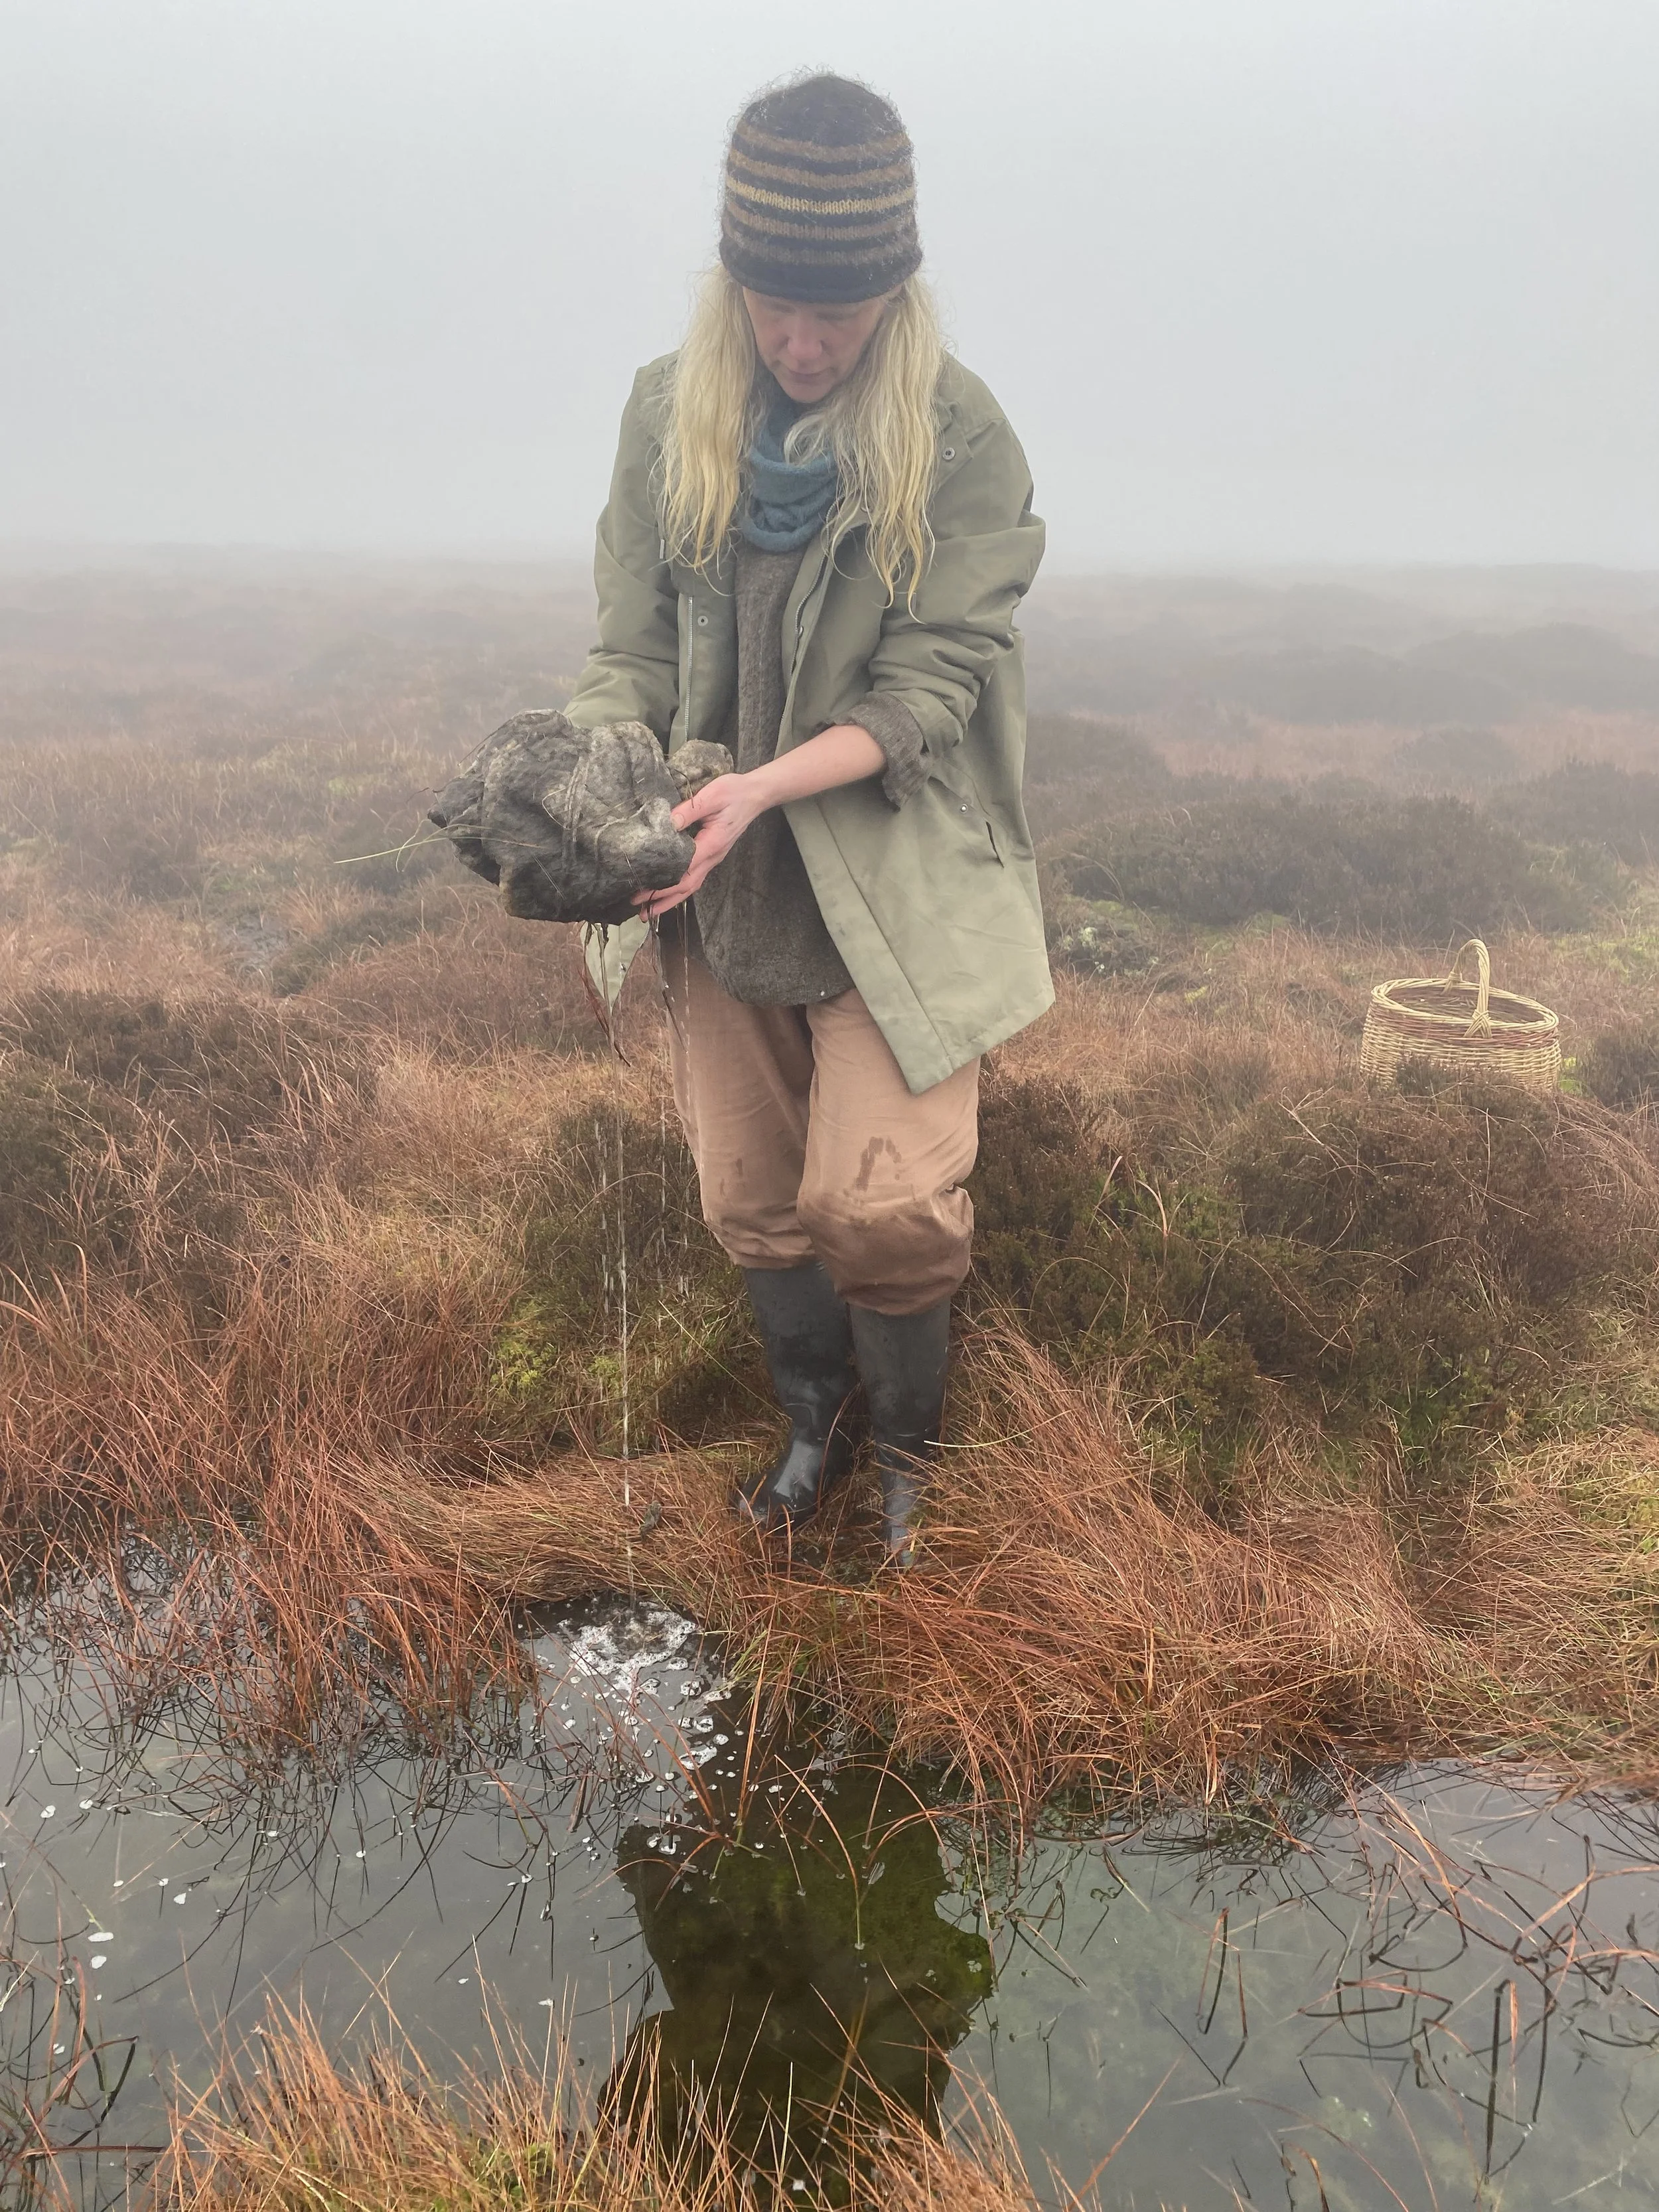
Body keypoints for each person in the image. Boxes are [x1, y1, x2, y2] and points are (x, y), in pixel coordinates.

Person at [563, 73, 1050, 1562]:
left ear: (895, 290)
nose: (801, 339)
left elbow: (928, 687)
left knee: (881, 1205)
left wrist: (762, 786)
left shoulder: (958, 440)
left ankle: (908, 1458)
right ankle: (809, 1428)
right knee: (754, 1199)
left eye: (837, 309)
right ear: (734, 282)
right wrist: (596, 776)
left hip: (883, 879)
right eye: (772, 300)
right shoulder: (668, 409)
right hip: (718, 893)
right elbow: (628, 646)